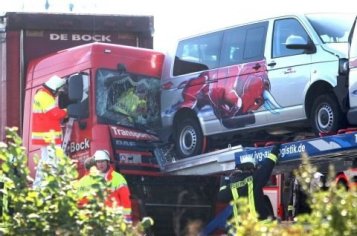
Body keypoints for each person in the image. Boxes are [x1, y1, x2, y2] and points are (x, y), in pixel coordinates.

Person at [217, 144, 281, 222]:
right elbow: (268, 165)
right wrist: (275, 150)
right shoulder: (254, 179)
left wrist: (224, 181)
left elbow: (221, 196)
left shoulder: (232, 185)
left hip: (241, 228)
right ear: (251, 167)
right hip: (257, 225)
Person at [75, 150, 133, 224]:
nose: (100, 164)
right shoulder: (87, 179)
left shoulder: (118, 178)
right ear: (95, 163)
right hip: (93, 220)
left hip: (113, 220)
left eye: (103, 161)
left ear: (107, 162)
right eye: (98, 162)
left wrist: (127, 220)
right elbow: (81, 200)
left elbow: (126, 201)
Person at [31, 75, 68, 188]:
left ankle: (38, 187)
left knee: (45, 160)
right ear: (54, 89)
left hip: (43, 135)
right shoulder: (45, 96)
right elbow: (54, 113)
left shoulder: (40, 94)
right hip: (49, 135)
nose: (58, 95)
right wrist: (67, 111)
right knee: (54, 160)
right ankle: (52, 186)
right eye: (58, 92)